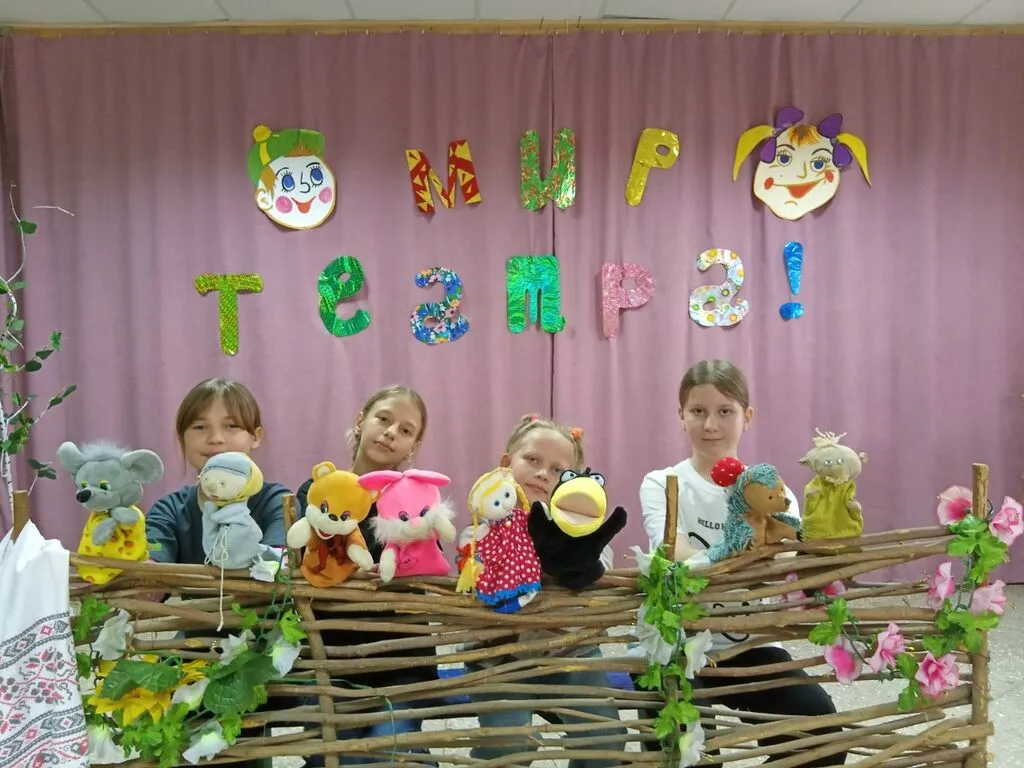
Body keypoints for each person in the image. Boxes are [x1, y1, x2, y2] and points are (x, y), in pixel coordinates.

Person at [638, 359, 846, 767]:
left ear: (747, 417)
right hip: (678, 646)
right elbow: (671, 552)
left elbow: (783, 559)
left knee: (821, 732)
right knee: (686, 751)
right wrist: (742, 553)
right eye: (698, 411)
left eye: (725, 411)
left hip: (751, 645)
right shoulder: (661, 483)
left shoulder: (772, 489)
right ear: (681, 415)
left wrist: (736, 559)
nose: (710, 425)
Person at [466, 415, 627, 768]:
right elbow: (472, 570)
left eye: (557, 470)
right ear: (506, 463)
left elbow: (601, 566)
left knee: (605, 736)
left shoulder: (581, 528)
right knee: (508, 740)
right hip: (499, 656)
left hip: (571, 649)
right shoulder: (486, 525)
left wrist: (574, 558)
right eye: (533, 460)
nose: (542, 474)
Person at [146, 378, 291, 768]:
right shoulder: (170, 509)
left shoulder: (276, 500)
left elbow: (275, 561)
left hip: (260, 650)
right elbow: (151, 570)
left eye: (231, 426)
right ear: (182, 437)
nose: (215, 438)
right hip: (194, 646)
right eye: (199, 426)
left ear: (255, 437)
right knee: (175, 740)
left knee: (246, 749)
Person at [294, 385, 438, 768]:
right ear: (361, 421)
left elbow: (426, 561)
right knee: (335, 756)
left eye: (405, 430)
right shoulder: (319, 491)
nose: (391, 433)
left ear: (413, 447)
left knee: (390, 751)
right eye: (384, 419)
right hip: (331, 656)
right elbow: (306, 562)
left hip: (403, 658)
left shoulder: (416, 501)